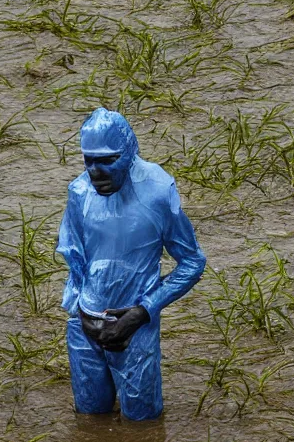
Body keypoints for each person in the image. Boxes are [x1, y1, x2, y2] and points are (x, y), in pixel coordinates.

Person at [57, 108, 206, 420]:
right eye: (89, 160)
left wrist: (143, 311)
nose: (96, 171)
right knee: (89, 418)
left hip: (135, 328)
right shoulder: (79, 192)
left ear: (128, 152)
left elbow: (192, 261)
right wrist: (80, 312)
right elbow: (75, 258)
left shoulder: (158, 192)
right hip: (85, 325)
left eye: (108, 160)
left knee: (143, 422)